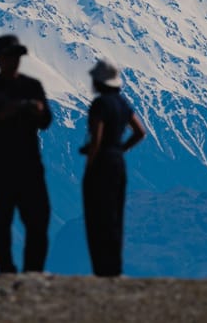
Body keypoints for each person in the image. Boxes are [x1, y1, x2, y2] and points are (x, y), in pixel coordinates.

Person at [0, 34, 53, 274]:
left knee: (38, 220)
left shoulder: (32, 86)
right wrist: (3, 114)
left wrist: (38, 111)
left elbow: (47, 121)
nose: (13, 61)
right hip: (0, 166)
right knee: (2, 222)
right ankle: (7, 270)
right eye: (9, 56)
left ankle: (33, 271)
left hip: (29, 165)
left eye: (16, 56)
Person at [80, 59, 146, 277]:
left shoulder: (100, 105)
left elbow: (97, 138)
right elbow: (140, 132)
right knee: (115, 214)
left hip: (101, 163)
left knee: (96, 215)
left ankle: (101, 268)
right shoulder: (123, 103)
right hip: (118, 162)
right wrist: (121, 148)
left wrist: (91, 161)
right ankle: (115, 268)